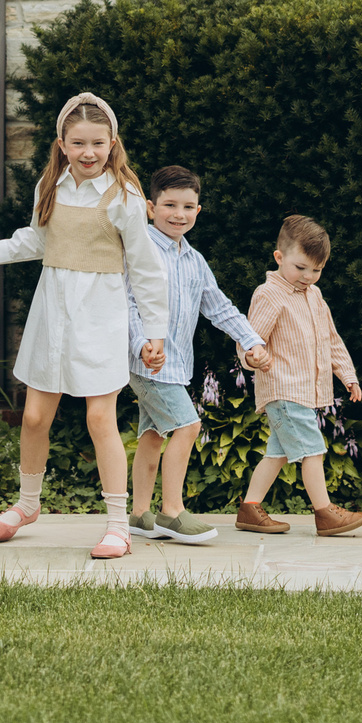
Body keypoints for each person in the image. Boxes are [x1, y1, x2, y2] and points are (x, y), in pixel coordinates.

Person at [0, 94, 171, 560]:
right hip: (52, 315)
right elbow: (39, 238)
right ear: (62, 144)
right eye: (79, 143)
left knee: (99, 418)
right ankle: (27, 506)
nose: (89, 152)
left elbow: (146, 267)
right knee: (33, 417)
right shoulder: (51, 183)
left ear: (112, 144)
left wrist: (155, 332)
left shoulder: (124, 196)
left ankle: (117, 525)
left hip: (99, 318)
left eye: (98, 143)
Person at [123, 165, 273, 543]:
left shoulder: (194, 261)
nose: (179, 214)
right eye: (170, 204)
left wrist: (252, 340)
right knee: (187, 426)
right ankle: (172, 512)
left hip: (176, 365)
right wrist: (140, 343)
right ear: (150, 207)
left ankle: (140, 514)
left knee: (154, 434)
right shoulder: (139, 252)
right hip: (147, 362)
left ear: (198, 211)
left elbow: (219, 307)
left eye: (188, 207)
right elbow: (125, 303)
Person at [237, 213, 362, 536]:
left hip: (304, 391)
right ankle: (325, 513)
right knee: (313, 449)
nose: (309, 276)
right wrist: (253, 356)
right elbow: (249, 338)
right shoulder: (269, 294)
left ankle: (249, 508)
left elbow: (331, 338)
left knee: (278, 453)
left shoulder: (315, 296)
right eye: (301, 268)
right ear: (279, 257)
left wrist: (348, 374)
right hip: (284, 389)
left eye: (317, 270)